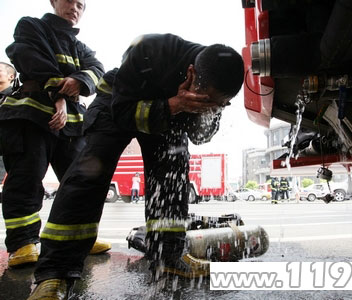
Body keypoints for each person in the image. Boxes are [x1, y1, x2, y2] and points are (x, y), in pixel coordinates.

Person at [27, 33, 244, 299]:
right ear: (191, 73)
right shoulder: (151, 49)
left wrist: (202, 109)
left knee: (173, 173)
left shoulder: (213, 88)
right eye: (206, 100)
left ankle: (169, 258)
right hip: (117, 104)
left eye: (217, 104)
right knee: (90, 173)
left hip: (169, 113)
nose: (210, 106)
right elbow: (123, 113)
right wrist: (174, 104)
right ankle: (55, 273)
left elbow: (201, 137)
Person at [0, 0, 108, 269]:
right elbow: (30, 58)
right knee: (26, 178)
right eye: (70, 0)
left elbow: (98, 71)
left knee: (79, 183)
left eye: (81, 5)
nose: (75, 7)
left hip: (71, 123)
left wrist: (80, 81)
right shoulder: (31, 26)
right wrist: (59, 93)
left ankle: (78, 237)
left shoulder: (80, 46)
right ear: (54, 1)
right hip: (32, 116)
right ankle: (23, 242)